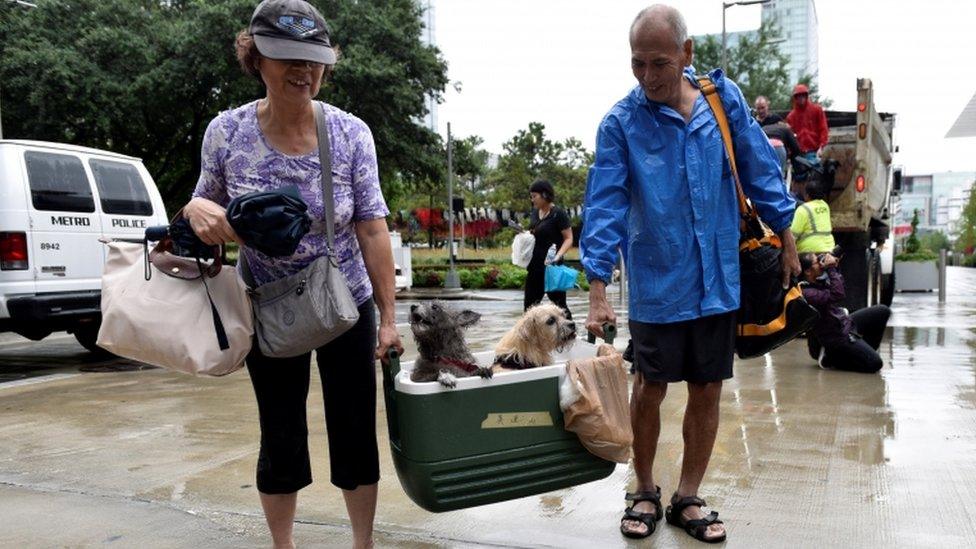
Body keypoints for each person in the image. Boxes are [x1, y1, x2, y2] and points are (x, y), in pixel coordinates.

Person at [184, 2, 403, 548]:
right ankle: (283, 545)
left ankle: (363, 543)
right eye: (287, 58)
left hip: (346, 303)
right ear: (256, 58)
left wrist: (389, 318)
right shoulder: (226, 132)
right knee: (280, 433)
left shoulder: (350, 134)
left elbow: (373, 230)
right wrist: (195, 212)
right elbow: (200, 206)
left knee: (354, 431)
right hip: (267, 305)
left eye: (315, 61)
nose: (303, 72)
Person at [581, 5, 798, 543]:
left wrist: (787, 232)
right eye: (637, 64)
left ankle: (689, 496)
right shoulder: (620, 124)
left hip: (719, 279)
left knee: (707, 388)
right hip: (658, 282)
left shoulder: (722, 102)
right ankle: (645, 490)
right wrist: (597, 288)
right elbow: (604, 203)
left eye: (659, 62)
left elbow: (757, 166)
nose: (649, 76)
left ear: (686, 53)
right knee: (649, 387)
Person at [800, 252, 890, 373]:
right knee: (875, 364)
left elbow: (840, 287)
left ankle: (861, 352)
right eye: (817, 262)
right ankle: (831, 358)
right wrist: (831, 268)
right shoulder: (807, 293)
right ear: (808, 271)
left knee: (882, 311)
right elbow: (837, 294)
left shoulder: (817, 281)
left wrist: (835, 267)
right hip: (836, 337)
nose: (821, 263)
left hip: (843, 323)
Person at [524, 179, 574, 318]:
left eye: (534, 196)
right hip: (534, 267)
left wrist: (558, 256)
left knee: (560, 307)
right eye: (531, 196)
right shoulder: (534, 213)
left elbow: (569, 238)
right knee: (529, 308)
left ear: (545, 195)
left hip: (553, 267)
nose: (532, 199)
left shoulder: (558, 214)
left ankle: (570, 334)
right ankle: (532, 338)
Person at [792, 179, 837, 253]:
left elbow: (793, 234)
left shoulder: (803, 209)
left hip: (810, 251)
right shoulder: (825, 206)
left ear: (807, 195)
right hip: (829, 249)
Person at [786, 83, 829, 160]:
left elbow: (823, 129)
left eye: (803, 95)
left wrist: (821, 147)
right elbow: (789, 135)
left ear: (806, 96)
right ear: (795, 98)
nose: (801, 98)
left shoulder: (817, 110)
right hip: (798, 154)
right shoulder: (791, 116)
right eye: (798, 96)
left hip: (814, 152)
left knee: (814, 170)